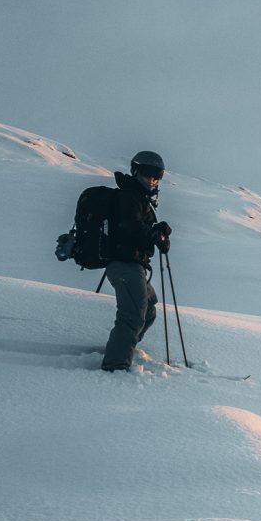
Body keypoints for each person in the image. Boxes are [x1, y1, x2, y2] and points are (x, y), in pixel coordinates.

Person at [101, 151, 173, 372]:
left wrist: (157, 230)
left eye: (157, 176)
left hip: (134, 265)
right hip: (124, 264)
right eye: (148, 174)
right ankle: (116, 365)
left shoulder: (139, 198)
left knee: (148, 309)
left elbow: (137, 227)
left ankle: (122, 348)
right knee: (133, 314)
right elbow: (130, 226)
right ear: (136, 171)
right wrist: (155, 236)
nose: (152, 180)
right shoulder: (129, 196)